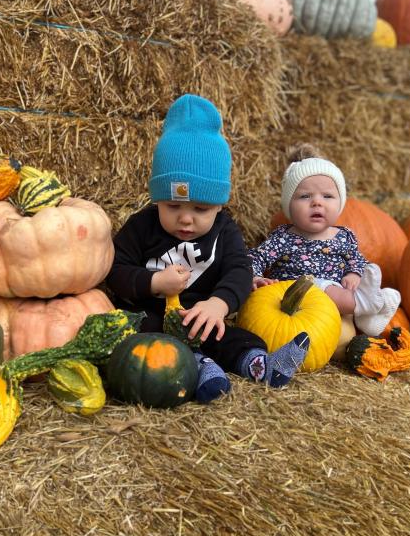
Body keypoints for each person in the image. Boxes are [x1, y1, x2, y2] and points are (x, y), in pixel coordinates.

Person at [106, 94, 310, 403]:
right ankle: (199, 367)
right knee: (139, 332)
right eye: (173, 205)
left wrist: (218, 304)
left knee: (232, 336)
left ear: (218, 206)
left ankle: (259, 364)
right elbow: (115, 268)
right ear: (157, 199)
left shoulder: (224, 230)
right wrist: (153, 283)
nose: (185, 219)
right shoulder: (142, 227)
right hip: (152, 321)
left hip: (202, 317)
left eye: (201, 209)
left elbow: (240, 271)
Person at [249, 144, 400, 337]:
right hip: (296, 302)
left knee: (342, 297)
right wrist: (256, 277)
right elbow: (256, 257)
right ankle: (363, 305)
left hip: (334, 308)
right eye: (305, 196)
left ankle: (364, 314)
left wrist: (354, 273)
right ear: (289, 206)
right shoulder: (283, 238)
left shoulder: (344, 236)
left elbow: (357, 260)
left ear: (340, 204)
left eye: (327, 196)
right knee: (318, 285)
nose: (317, 202)